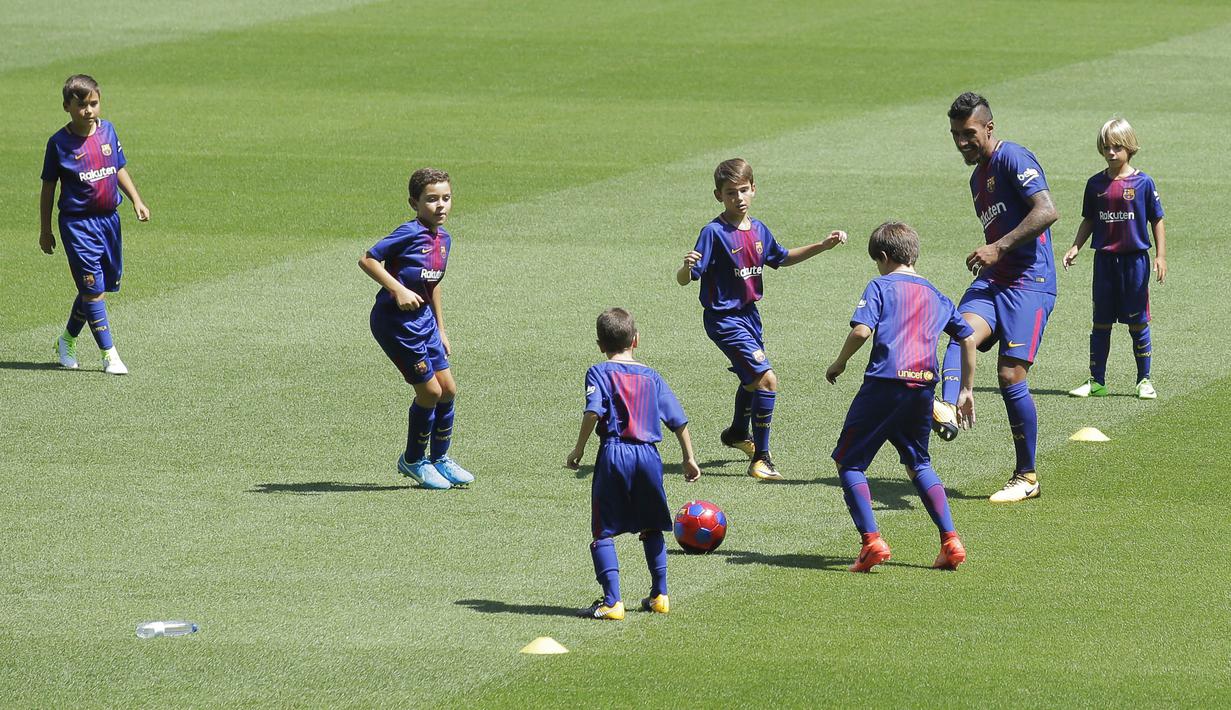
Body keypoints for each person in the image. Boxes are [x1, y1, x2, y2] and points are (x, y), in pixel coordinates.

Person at [676, 158, 846, 480]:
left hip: (750, 317)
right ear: (718, 196)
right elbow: (687, 278)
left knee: (752, 382)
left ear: (753, 189)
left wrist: (822, 246)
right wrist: (686, 267)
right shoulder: (713, 233)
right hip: (724, 319)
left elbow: (782, 258)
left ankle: (738, 433)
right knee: (767, 379)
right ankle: (762, 459)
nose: (737, 198)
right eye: (730, 193)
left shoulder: (759, 230)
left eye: (743, 190)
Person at [826, 222, 976, 573]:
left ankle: (871, 542)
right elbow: (967, 338)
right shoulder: (936, 294)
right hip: (922, 388)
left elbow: (862, 330)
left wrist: (839, 362)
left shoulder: (881, 285)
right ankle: (950, 541)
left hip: (883, 385)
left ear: (882, 256)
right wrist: (966, 389)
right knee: (918, 463)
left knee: (849, 462)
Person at [936, 92, 1059, 503]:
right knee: (959, 331)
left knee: (1009, 376)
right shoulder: (977, 179)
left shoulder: (1013, 158)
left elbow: (1046, 210)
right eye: (955, 134)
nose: (961, 142)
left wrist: (998, 247)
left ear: (989, 127)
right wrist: (993, 256)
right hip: (995, 280)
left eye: (968, 133)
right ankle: (948, 408)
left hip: (1029, 282)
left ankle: (1026, 476)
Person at [566, 308, 700, 619]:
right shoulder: (652, 376)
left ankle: (612, 601)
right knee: (651, 525)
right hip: (649, 456)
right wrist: (688, 457)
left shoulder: (598, 371)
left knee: (603, 530)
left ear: (600, 345)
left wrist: (578, 450)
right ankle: (660, 595)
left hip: (615, 453)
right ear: (636, 340)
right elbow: (678, 420)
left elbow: (593, 412)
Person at [359, 168, 473, 490]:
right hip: (395, 324)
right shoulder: (409, 233)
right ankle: (413, 460)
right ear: (414, 202)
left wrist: (441, 328)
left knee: (448, 390)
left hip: (425, 324)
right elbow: (368, 259)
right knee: (430, 392)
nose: (441, 205)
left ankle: (440, 460)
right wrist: (397, 290)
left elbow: (432, 284)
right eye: (432, 199)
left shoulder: (444, 239)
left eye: (446, 198)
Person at [40, 74, 150, 375]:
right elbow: (48, 186)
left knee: (98, 287)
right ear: (67, 106)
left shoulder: (109, 132)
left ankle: (66, 340)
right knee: (92, 290)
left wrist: (136, 200)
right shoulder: (59, 143)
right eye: (81, 105)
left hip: (109, 222)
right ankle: (109, 354)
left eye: (94, 104)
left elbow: (118, 168)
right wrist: (45, 229)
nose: (88, 110)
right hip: (78, 226)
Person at [1063, 118, 1166, 400]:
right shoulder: (1095, 184)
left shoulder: (1143, 182)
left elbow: (1157, 219)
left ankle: (1144, 380)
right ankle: (1097, 381)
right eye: (1106, 147)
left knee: (1138, 323)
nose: (1111, 153)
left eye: (1117, 147)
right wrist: (1075, 247)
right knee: (1101, 323)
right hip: (1105, 263)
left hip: (1135, 262)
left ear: (1129, 148)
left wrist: (1160, 255)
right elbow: (1089, 219)